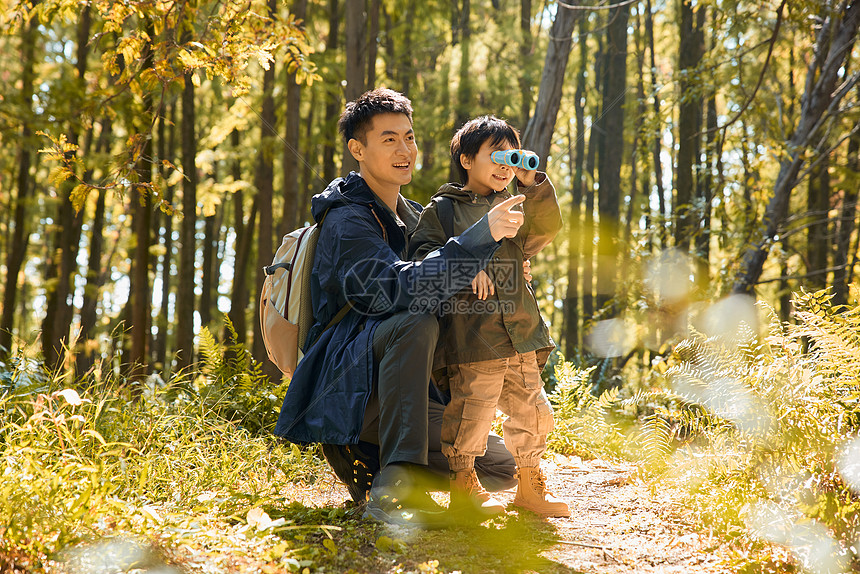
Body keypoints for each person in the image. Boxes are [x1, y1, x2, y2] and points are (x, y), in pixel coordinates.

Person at [272, 89, 528, 526]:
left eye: (409, 137)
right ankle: (394, 481)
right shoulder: (346, 219)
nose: (405, 149)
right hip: (348, 382)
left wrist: (487, 270)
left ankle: (382, 463)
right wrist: (475, 242)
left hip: (405, 389)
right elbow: (394, 292)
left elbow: (443, 279)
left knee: (501, 468)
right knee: (414, 318)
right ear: (358, 149)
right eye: (389, 139)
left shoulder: (412, 215)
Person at [408, 115, 569, 518]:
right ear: (466, 159)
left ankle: (530, 486)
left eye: (511, 157)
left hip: (520, 331)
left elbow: (544, 230)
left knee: (533, 412)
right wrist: (465, 263)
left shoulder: (515, 203)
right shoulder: (443, 210)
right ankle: (463, 485)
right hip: (472, 336)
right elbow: (420, 259)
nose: (504, 165)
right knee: (471, 414)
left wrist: (532, 184)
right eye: (494, 155)